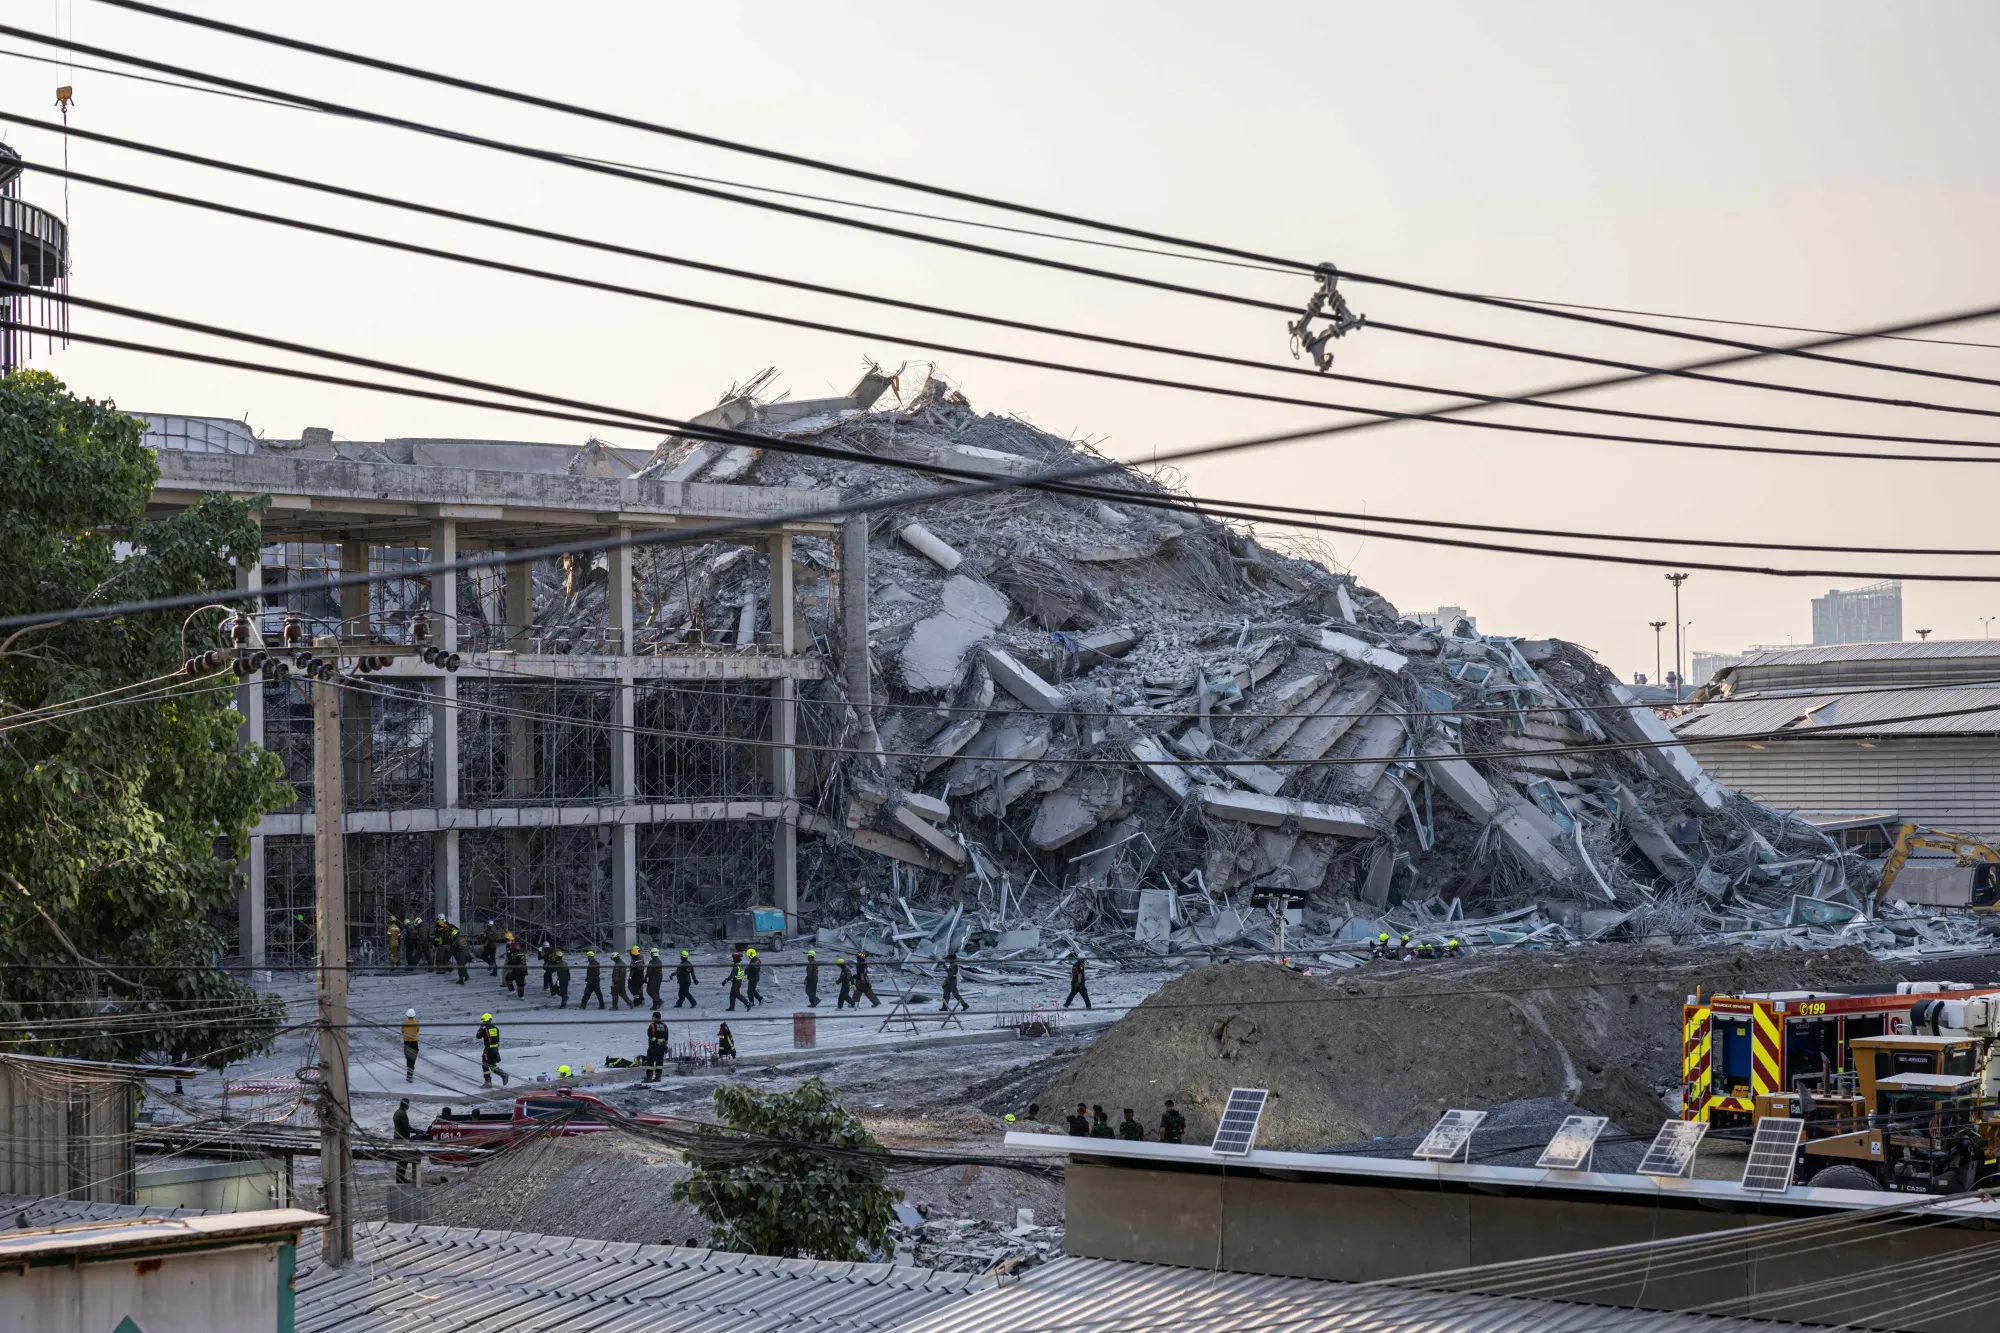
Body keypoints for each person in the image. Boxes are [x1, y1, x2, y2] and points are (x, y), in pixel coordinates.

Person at [477, 1014, 509, 1087]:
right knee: (492, 1065)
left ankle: (488, 1082)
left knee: (485, 1065)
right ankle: (503, 1074)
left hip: (488, 1050)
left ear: (484, 1020)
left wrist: (481, 1028)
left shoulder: (485, 1029)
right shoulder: (495, 1028)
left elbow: (478, 1036)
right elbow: (497, 1039)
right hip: (495, 1049)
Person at [393, 1097, 419, 1183]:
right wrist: (417, 1131)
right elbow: (407, 1128)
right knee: (403, 1160)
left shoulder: (397, 1112)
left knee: (400, 1160)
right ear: (407, 1105)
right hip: (402, 1139)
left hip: (397, 1138)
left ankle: (399, 1178)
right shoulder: (402, 1114)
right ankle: (400, 1178)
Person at [644, 1010, 670, 1083]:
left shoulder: (652, 1026)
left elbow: (650, 1036)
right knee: (659, 1063)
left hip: (653, 1047)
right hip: (661, 1048)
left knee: (650, 1063)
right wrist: (664, 1046)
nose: (652, 1018)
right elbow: (666, 1038)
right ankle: (658, 1077)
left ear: (654, 1017)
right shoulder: (665, 1026)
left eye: (652, 1017)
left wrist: (656, 1041)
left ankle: (649, 1077)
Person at [503, 934, 528, 999]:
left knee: (508, 978)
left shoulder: (514, 955)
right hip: (524, 971)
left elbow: (511, 963)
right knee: (520, 984)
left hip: (516, 971)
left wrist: (509, 956)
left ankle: (512, 990)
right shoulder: (522, 954)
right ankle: (521, 996)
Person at [400, 1008, 420, 1083]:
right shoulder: (417, 1023)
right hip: (414, 1043)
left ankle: (409, 1075)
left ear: (407, 1015)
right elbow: (417, 1031)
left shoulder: (404, 1023)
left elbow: (402, 1031)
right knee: (412, 1060)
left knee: (408, 1059)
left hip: (406, 1043)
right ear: (414, 1015)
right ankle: (409, 1076)